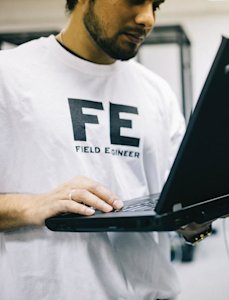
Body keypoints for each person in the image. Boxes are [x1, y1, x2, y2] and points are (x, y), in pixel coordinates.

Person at [0, 0, 211, 299]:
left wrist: (195, 223)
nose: (147, 18)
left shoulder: (157, 92)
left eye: (156, 5)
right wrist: (32, 206)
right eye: (135, 0)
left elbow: (178, 202)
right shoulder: (8, 75)